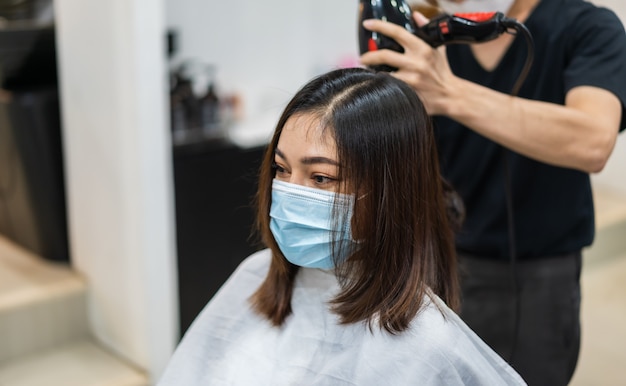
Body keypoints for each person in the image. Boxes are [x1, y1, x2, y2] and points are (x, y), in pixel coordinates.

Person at [157, 68, 526, 385]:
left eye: (320, 177)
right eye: (281, 170)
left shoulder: (429, 347)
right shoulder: (253, 278)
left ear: (388, 193)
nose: (288, 193)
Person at [360, 0, 626, 385]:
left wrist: (449, 93)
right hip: (438, 266)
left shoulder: (588, 27)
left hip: (539, 277)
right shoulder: (432, 37)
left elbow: (591, 141)